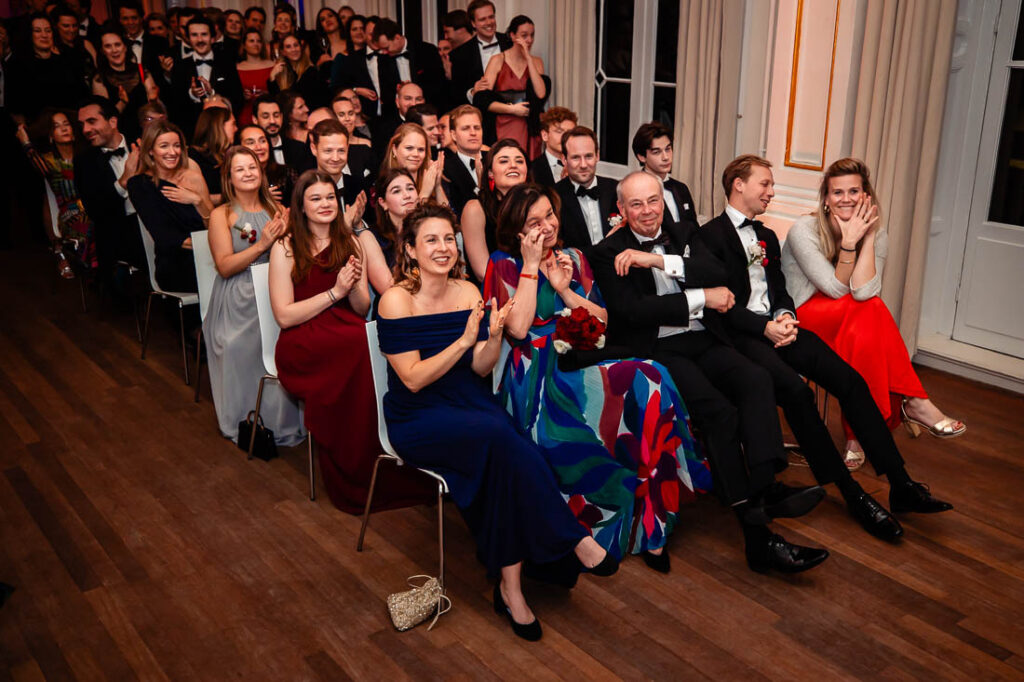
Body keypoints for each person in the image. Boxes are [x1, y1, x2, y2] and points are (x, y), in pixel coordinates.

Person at [376, 201, 617, 642]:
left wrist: (489, 339)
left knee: (510, 452)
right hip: (420, 417)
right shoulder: (396, 300)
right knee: (503, 439)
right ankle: (572, 537)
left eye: (449, 238)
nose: (444, 247)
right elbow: (411, 380)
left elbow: (481, 369)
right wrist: (465, 339)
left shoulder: (468, 292)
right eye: (431, 239)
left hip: (470, 404)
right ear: (409, 249)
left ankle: (511, 589)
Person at [697, 155, 955, 540]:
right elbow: (722, 304)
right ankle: (852, 495)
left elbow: (780, 289)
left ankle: (901, 484)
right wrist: (766, 328)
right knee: (798, 394)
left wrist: (784, 315)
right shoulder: (708, 237)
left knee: (850, 381)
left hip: (783, 327)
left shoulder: (766, 236)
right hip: (744, 339)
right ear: (738, 185)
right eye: (765, 184)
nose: (771, 191)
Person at [590, 171, 830, 574]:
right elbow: (633, 312)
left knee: (757, 379)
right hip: (660, 349)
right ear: (621, 210)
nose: (648, 211)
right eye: (636, 204)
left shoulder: (683, 231)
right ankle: (758, 534)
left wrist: (654, 259)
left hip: (705, 336)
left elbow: (718, 271)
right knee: (719, 413)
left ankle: (765, 485)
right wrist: (702, 296)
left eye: (653, 200)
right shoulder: (607, 251)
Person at [484, 183, 711, 570]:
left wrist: (565, 291)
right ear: (518, 231)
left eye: (549, 216)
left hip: (583, 354)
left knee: (653, 377)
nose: (547, 226)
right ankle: (595, 522)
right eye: (534, 222)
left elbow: (603, 320)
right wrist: (531, 266)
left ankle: (654, 525)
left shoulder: (574, 257)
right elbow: (519, 329)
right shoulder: (504, 263)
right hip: (535, 372)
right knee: (640, 380)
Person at [781, 157, 966, 462]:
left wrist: (867, 237)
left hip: (847, 321)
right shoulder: (805, 229)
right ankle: (913, 403)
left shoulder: (877, 234)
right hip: (800, 320)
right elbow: (835, 289)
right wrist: (848, 244)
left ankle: (859, 435)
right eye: (837, 192)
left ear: (866, 195)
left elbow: (865, 291)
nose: (846, 199)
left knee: (866, 319)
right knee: (869, 313)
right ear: (826, 199)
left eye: (853, 191)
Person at [270, 169, 430, 514]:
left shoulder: (350, 241)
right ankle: (351, 468)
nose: (325, 204)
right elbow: (284, 316)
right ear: (301, 205)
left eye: (329, 197)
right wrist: (335, 291)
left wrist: (355, 286)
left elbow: (361, 308)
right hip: (302, 338)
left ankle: (384, 452)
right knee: (356, 349)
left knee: (369, 343)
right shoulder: (285, 247)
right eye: (316, 198)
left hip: (344, 327)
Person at [204, 145, 304, 445]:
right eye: (240, 169)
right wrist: (262, 245)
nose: (248, 173)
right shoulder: (221, 215)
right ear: (229, 178)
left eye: (253, 167)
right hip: (237, 295)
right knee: (235, 345)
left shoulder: (276, 210)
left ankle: (280, 421)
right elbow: (224, 267)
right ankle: (245, 420)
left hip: (275, 291)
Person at [127, 119, 213, 293]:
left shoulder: (193, 177)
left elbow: (212, 225)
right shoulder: (140, 185)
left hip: (209, 255)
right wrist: (216, 249)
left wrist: (198, 201)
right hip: (177, 265)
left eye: (176, 145)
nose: (172, 152)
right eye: (164, 146)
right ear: (150, 150)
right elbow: (167, 237)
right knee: (232, 279)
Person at [75, 96, 144, 294]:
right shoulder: (85, 162)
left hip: (155, 224)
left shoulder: (140, 143)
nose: (86, 130)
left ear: (113, 122)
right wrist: (124, 180)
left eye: (91, 121)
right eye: (82, 124)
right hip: (119, 234)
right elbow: (96, 210)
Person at [17, 111, 97, 275]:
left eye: (66, 124)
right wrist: (25, 142)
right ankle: (88, 264)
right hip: (71, 214)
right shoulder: (49, 160)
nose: (63, 129)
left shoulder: (86, 156)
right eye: (56, 126)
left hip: (93, 208)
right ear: (51, 136)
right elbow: (39, 165)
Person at [476, 15, 548, 154]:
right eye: (524, 35)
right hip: (504, 121)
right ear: (513, 35)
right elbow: (483, 100)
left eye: (532, 35)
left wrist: (528, 57)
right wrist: (512, 110)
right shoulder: (497, 60)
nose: (529, 40)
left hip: (529, 124)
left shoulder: (537, 62)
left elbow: (540, 93)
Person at [460, 139, 529, 282]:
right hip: (495, 291)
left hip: (535, 282)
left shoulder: (535, 205)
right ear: (490, 173)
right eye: (504, 161)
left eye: (519, 161)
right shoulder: (475, 208)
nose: (513, 165)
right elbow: (483, 272)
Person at [169, 16, 243, 137]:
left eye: (204, 34)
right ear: (187, 38)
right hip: (192, 133)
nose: (200, 40)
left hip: (224, 132)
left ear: (213, 38)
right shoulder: (179, 66)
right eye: (194, 35)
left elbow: (238, 98)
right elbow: (174, 105)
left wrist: (212, 93)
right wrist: (192, 94)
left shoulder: (226, 63)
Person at [6, 13, 89, 122]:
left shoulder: (68, 57)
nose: (44, 35)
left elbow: (82, 93)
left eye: (48, 30)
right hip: (37, 126)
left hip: (71, 122)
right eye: (37, 31)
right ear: (29, 34)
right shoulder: (18, 63)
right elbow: (15, 106)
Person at [554, 126, 618, 257]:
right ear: (564, 159)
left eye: (588, 156)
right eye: (576, 157)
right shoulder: (553, 196)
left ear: (597, 156)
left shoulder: (616, 189)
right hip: (575, 271)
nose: (583, 165)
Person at [91, 26, 160, 143]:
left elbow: (156, 111)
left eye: (117, 44)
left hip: (146, 135)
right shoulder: (100, 79)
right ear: (102, 51)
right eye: (108, 46)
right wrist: (122, 103)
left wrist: (153, 101)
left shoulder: (142, 71)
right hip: (120, 138)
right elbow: (105, 120)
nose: (114, 50)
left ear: (125, 47)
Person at [360, 168, 417, 294]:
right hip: (395, 308)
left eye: (410, 188)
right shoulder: (370, 237)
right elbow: (388, 290)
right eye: (397, 191)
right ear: (383, 203)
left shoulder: (427, 229)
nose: (407, 195)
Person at [369, 19, 444, 111]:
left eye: (386, 48)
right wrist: (399, 92)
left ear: (397, 37)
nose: (384, 52)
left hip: (429, 108)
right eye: (381, 49)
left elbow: (438, 83)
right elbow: (386, 94)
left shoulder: (426, 50)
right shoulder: (383, 59)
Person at [632, 122, 698, 226]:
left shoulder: (681, 188)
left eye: (668, 149)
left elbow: (693, 227)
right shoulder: (633, 190)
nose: (666, 157)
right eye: (657, 152)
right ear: (641, 157)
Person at [449, 0, 511, 103]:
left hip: (513, 110)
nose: (489, 22)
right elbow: (456, 94)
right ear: (473, 23)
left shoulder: (510, 43)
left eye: (491, 17)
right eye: (482, 19)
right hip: (482, 115)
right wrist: (473, 92)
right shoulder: (459, 54)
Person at [308, 118, 367, 225]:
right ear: (314, 149)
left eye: (341, 151)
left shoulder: (359, 186)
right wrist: (346, 223)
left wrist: (359, 224)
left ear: (348, 149)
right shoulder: (305, 189)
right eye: (328, 151)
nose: (335, 158)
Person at [380, 122, 446, 205]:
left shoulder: (430, 181)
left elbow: (449, 216)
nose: (416, 154)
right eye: (409, 148)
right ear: (394, 150)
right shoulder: (385, 184)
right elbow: (409, 217)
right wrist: (424, 193)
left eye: (421, 150)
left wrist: (437, 185)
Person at [441, 104, 484, 217]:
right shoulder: (446, 169)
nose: (473, 133)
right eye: (466, 128)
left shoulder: (496, 159)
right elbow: (455, 210)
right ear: (453, 135)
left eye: (477, 128)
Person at [253, 93, 314, 171]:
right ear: (255, 119)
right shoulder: (252, 151)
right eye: (266, 117)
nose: (272, 121)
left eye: (276, 115)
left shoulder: (299, 149)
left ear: (282, 117)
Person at [239, 123, 295, 207]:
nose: (258, 147)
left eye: (262, 141)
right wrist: (261, 198)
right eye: (251, 143)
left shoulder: (286, 172)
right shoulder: (236, 177)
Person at [189, 106, 236, 202]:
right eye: (233, 124)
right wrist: (237, 197)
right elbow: (194, 197)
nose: (236, 129)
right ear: (220, 126)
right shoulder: (194, 156)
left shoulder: (229, 154)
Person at [269, 34, 328, 110]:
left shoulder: (311, 72)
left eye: (296, 45)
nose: (293, 49)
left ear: (300, 48)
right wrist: (272, 77)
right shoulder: (282, 73)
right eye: (288, 47)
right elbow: (277, 101)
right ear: (283, 52)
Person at [236, 28, 275, 126]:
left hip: (269, 115)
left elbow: (280, 92)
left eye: (259, 41)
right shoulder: (236, 68)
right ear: (244, 45)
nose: (256, 44)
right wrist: (242, 96)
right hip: (245, 114)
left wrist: (267, 94)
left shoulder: (272, 66)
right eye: (252, 41)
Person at [531, 107, 576, 188]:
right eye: (559, 131)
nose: (565, 137)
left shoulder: (583, 166)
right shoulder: (532, 169)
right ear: (545, 135)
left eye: (570, 133)